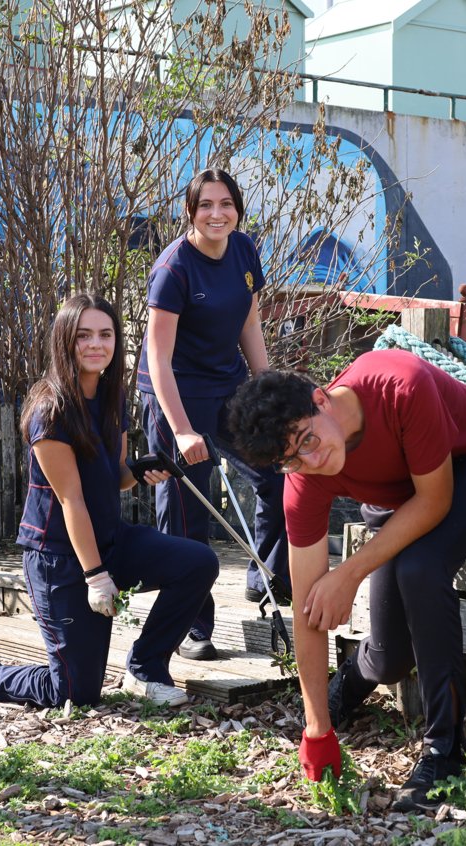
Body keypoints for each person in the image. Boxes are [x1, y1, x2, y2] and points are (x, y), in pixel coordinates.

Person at [227, 348, 466, 811]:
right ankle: (348, 685)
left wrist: (350, 573)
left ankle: (444, 751)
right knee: (389, 659)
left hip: (464, 467)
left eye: (306, 440)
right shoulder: (302, 476)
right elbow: (308, 609)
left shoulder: (399, 383)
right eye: (290, 460)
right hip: (399, 499)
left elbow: (435, 501)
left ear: (321, 398)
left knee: (418, 568)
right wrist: (316, 726)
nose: (311, 459)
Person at [0, 294, 219, 708]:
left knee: (199, 562)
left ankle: (145, 669)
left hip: (109, 539)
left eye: (105, 335)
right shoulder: (49, 410)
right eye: (84, 335)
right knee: (74, 692)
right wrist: (96, 576)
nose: (96, 344)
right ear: (65, 341)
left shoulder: (112, 400)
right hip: (59, 558)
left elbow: (116, 480)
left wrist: (141, 470)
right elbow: (71, 498)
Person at [136, 168, 290, 661]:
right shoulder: (174, 269)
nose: (217, 213)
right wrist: (180, 431)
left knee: (276, 474)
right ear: (190, 211)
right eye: (206, 205)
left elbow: (249, 319)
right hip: (175, 395)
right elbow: (157, 360)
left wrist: (266, 388)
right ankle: (191, 628)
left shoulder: (243, 250)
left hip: (227, 388)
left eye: (226, 204)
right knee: (188, 512)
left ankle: (266, 579)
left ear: (238, 209)